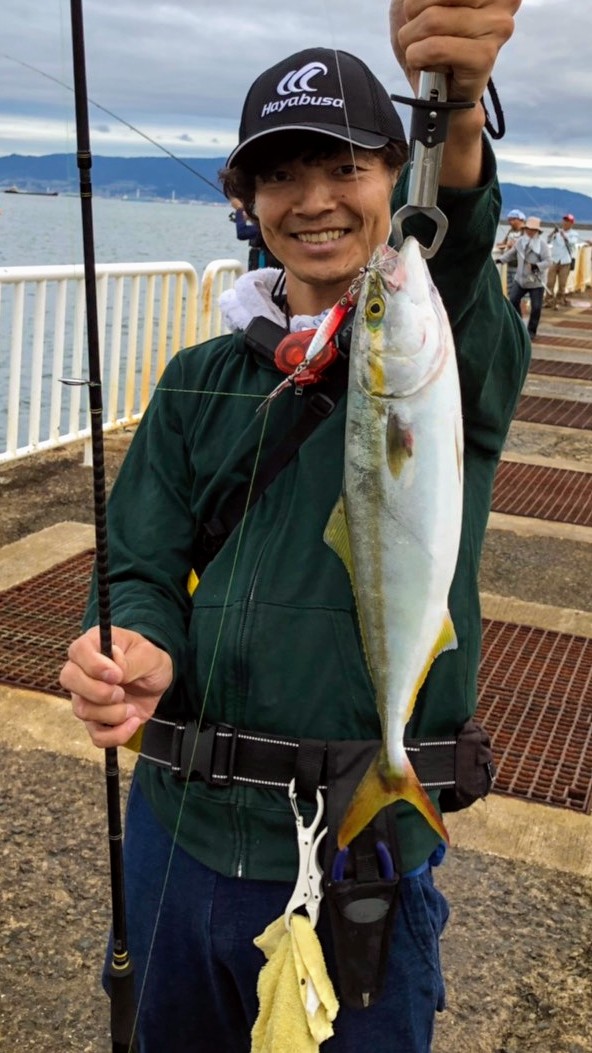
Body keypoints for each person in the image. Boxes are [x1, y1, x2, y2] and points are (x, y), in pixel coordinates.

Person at [60, 3, 528, 1051]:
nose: (314, 200)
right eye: (279, 174)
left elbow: (453, 250)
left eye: (347, 168)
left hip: (356, 852)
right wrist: (130, 639)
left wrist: (452, 106)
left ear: (391, 182)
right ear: (246, 200)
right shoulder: (199, 380)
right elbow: (137, 561)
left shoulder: (446, 347)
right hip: (178, 835)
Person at [497, 215, 551, 340]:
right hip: (520, 280)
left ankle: (531, 331)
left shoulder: (543, 246)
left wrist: (536, 266)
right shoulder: (520, 242)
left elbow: (548, 262)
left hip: (536, 282)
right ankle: (518, 325)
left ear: (537, 231)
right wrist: (500, 260)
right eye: (527, 229)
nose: (529, 231)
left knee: (536, 307)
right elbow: (511, 254)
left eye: (532, 229)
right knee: (513, 301)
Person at [229, 195, 280, 270]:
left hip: (263, 268)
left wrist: (240, 208)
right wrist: (248, 216)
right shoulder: (272, 226)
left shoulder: (269, 227)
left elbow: (242, 233)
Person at [545, 213, 579, 309]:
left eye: (568, 221)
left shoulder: (574, 234)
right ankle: (549, 301)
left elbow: (572, 243)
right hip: (554, 260)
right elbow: (548, 240)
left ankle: (559, 300)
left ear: (571, 223)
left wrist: (565, 236)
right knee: (550, 283)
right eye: (564, 220)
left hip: (565, 261)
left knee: (562, 284)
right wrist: (553, 233)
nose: (565, 223)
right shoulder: (557, 233)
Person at [495, 207, 525, 293]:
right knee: (510, 288)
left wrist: (514, 245)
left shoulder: (525, 231)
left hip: (521, 265)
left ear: (519, 219)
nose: (510, 222)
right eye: (509, 220)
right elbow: (504, 243)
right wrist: (502, 245)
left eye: (512, 219)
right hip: (511, 263)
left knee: (519, 290)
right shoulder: (510, 231)